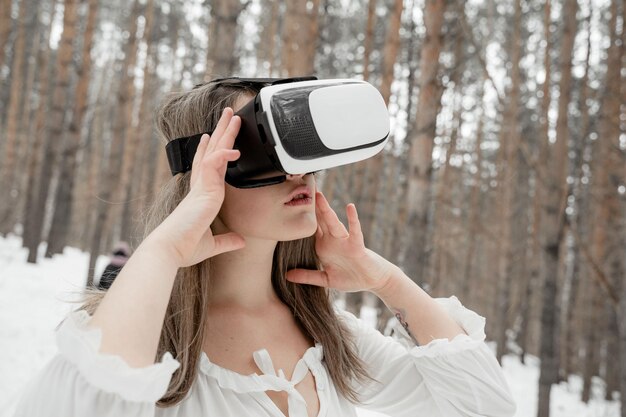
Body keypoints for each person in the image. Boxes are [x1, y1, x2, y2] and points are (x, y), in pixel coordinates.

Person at [14, 78, 516, 417]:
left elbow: (484, 406)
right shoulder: (149, 339)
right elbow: (87, 401)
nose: (298, 173)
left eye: (301, 146)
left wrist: (389, 282)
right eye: (261, 149)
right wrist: (166, 248)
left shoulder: (328, 335)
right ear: (205, 172)